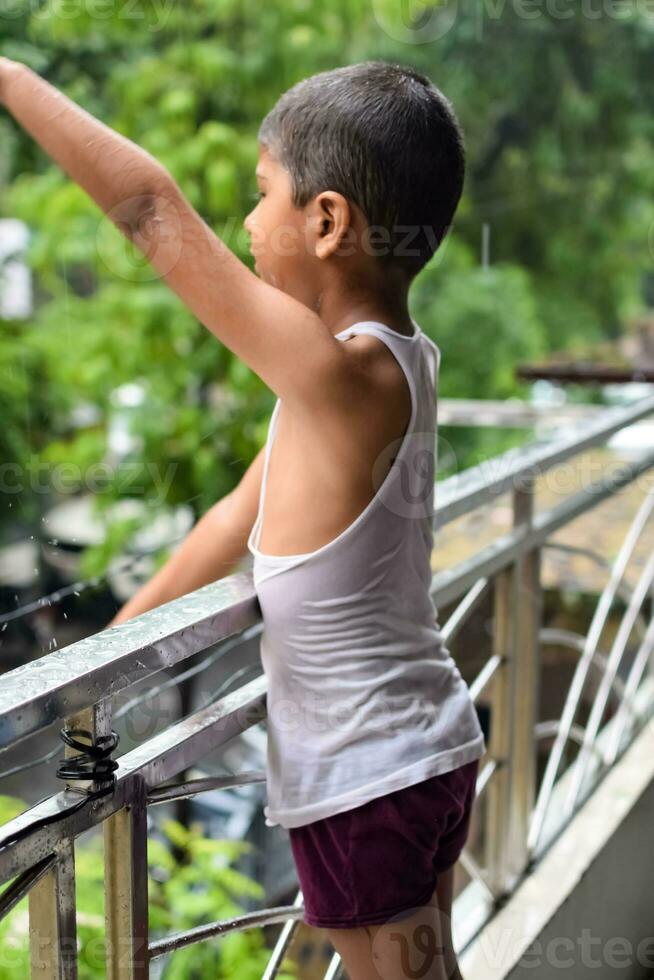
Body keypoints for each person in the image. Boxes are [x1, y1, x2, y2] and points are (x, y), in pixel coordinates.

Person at [0, 57, 486, 978]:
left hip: (371, 779)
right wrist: (102, 657)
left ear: (329, 221)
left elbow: (148, 210)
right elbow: (235, 516)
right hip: (421, 752)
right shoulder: (384, 371)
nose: (248, 225)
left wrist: (12, 77)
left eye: (262, 196)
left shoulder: (346, 379)